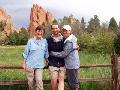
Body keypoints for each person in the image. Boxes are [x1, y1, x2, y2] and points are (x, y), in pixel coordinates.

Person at [50, 25, 80, 90]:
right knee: (72, 81)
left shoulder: (69, 41)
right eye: (63, 30)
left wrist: (52, 53)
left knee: (74, 83)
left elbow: (64, 54)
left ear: (70, 31)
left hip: (72, 64)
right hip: (71, 64)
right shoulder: (70, 38)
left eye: (66, 30)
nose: (64, 32)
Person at [22, 25, 49, 90]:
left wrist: (47, 60)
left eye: (41, 32)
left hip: (39, 65)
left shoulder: (45, 41)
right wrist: (23, 63)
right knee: (31, 82)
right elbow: (26, 53)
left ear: (43, 33)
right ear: (35, 32)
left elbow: (46, 52)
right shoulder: (30, 41)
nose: (40, 33)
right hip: (30, 65)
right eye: (38, 31)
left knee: (39, 80)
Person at [46, 24, 65, 90]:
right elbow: (45, 51)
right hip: (52, 63)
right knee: (54, 80)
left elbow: (71, 45)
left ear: (58, 29)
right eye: (53, 28)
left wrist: (77, 47)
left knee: (61, 79)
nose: (55, 30)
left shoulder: (64, 39)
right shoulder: (48, 40)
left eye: (56, 28)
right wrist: (46, 60)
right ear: (51, 30)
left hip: (62, 63)